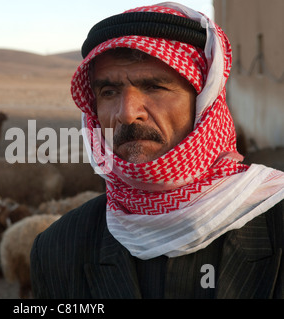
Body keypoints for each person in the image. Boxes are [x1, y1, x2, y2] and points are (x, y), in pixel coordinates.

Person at [30, 2, 284, 299]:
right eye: (108, 92)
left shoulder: (275, 223)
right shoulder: (58, 250)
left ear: (204, 102)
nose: (126, 114)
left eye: (154, 87)